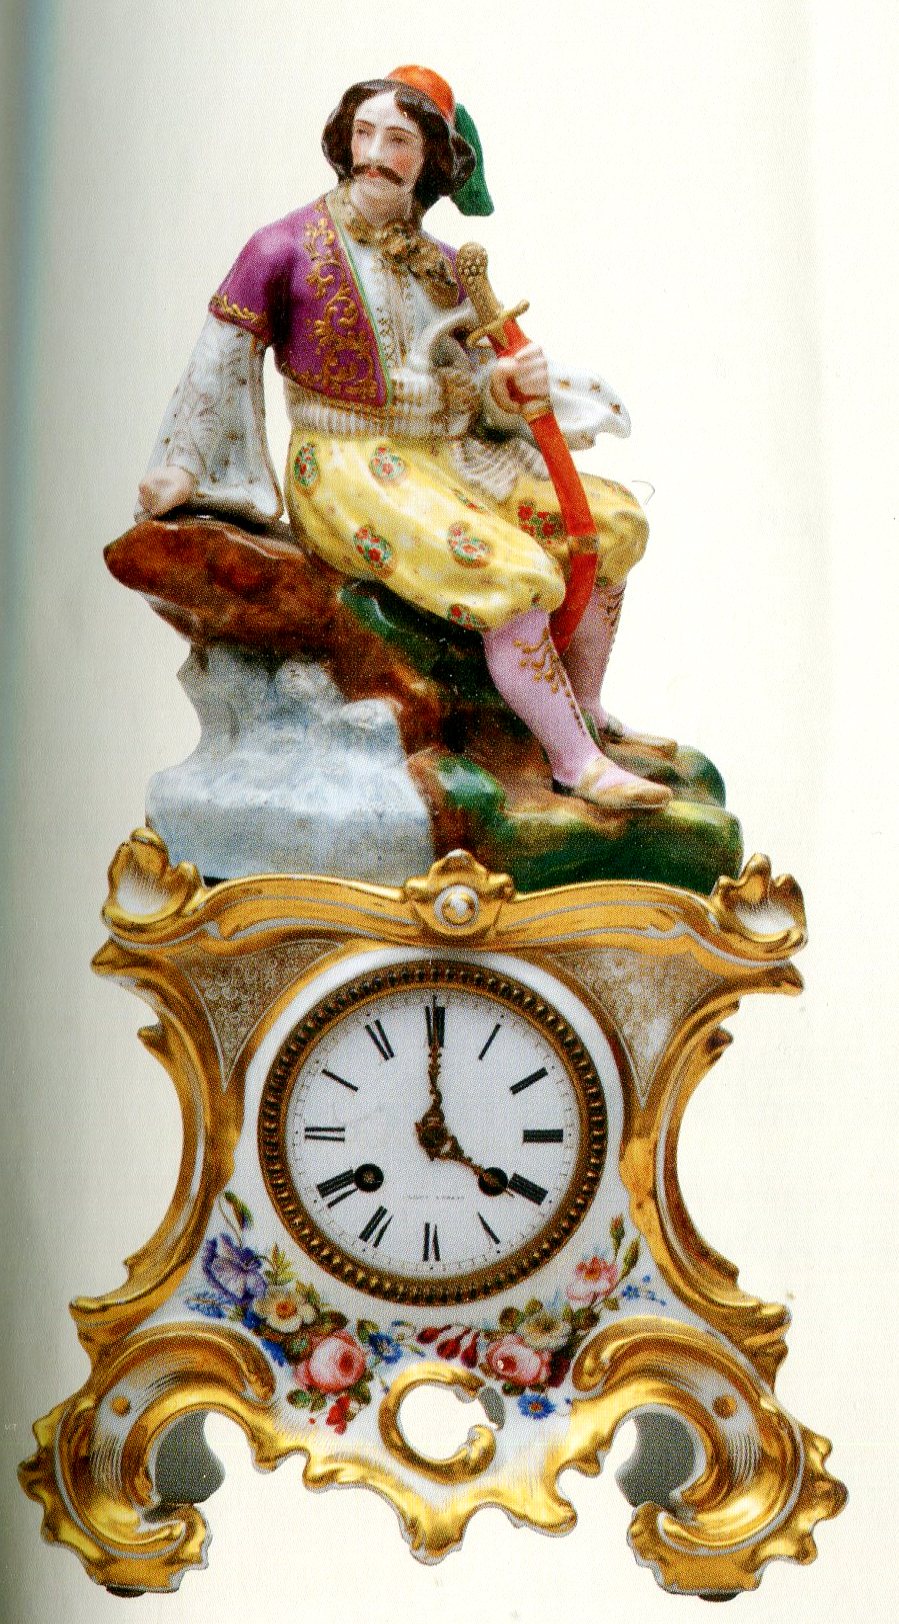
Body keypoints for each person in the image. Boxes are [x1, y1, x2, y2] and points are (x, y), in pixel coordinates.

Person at [138, 65, 671, 811]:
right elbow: (220, 357)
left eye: (397, 141)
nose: (374, 156)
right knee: (511, 572)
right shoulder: (283, 247)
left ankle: (584, 708)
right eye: (364, 134)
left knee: (611, 522)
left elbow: (480, 389)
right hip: (349, 463)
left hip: (456, 457)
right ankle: (572, 763)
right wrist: (184, 466)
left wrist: (507, 390)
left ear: (430, 162)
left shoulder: (448, 268)